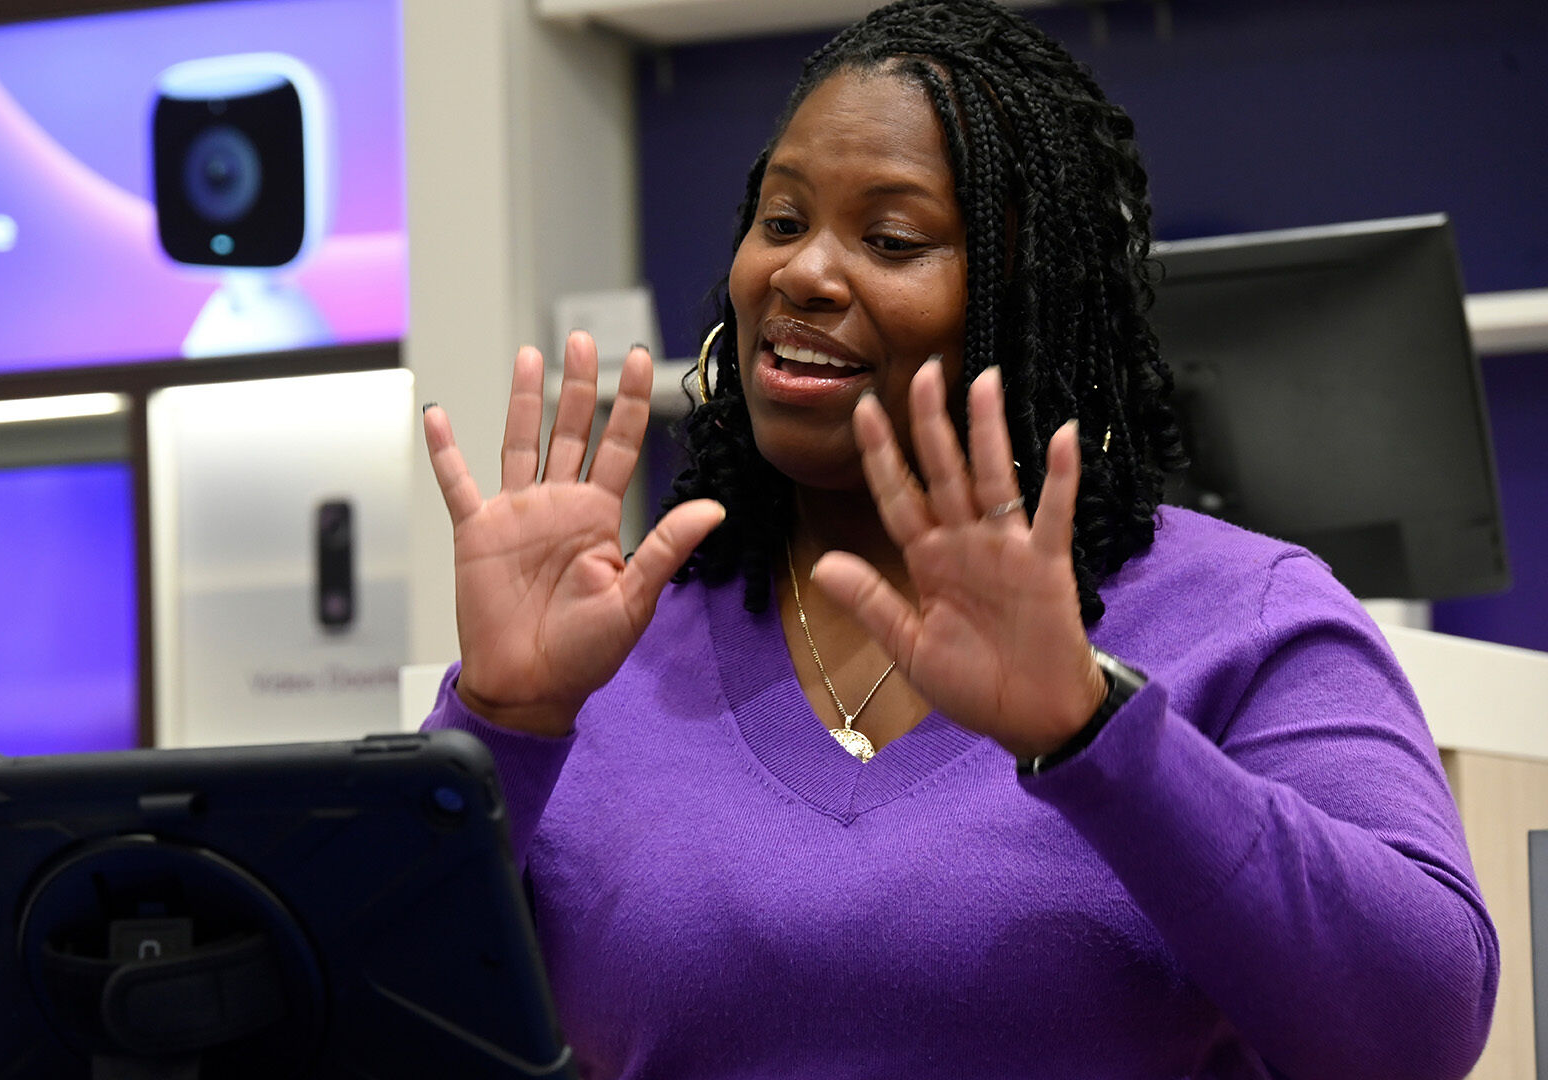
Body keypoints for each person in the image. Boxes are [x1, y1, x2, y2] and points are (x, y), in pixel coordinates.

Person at [419, 1, 1498, 1076]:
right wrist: (506, 726)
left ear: (1025, 307)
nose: (802, 274)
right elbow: (383, 1027)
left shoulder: (1245, 616)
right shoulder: (616, 645)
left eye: (890, 240)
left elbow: (1420, 1031)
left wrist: (1094, 731)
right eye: (783, 222)